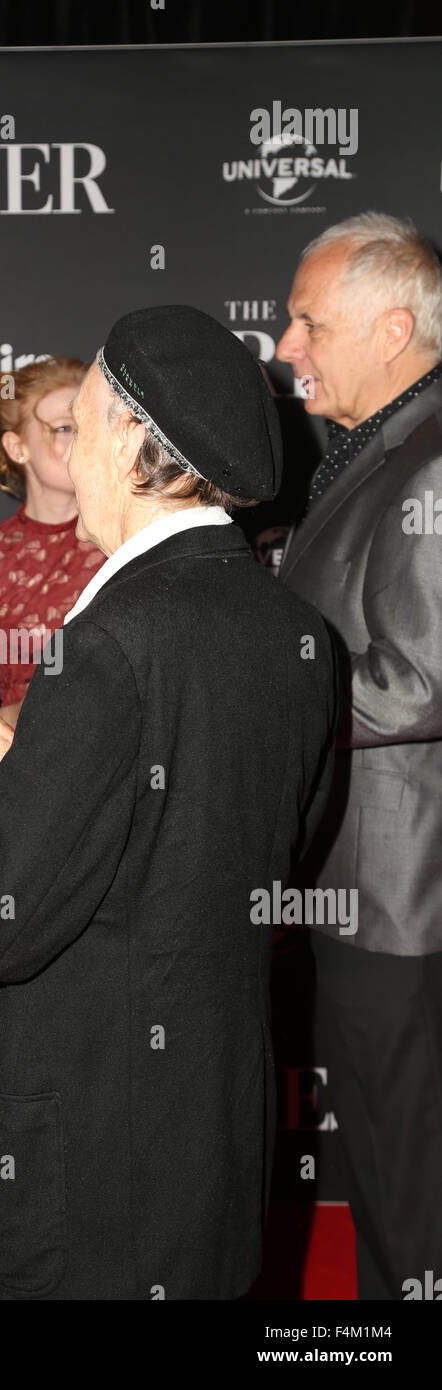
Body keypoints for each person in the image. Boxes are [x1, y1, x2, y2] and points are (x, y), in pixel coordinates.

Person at [0, 305, 338, 1300]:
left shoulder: (107, 643)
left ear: (123, 438)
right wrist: (42, 767)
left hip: (84, 1164)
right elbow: (249, 841)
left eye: (85, 415)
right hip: (211, 1134)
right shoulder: (294, 632)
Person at [275, 212, 442, 1300]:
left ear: (392, 328)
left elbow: (419, 680)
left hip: (397, 898)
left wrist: (260, 707)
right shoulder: (381, 447)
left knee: (407, 1190)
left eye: (305, 322)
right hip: (363, 892)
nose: (284, 347)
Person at [0, 357, 104, 725]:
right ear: (17, 447)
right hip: (32, 771)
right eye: (64, 428)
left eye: (89, 425)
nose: (80, 440)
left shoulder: (129, 540)